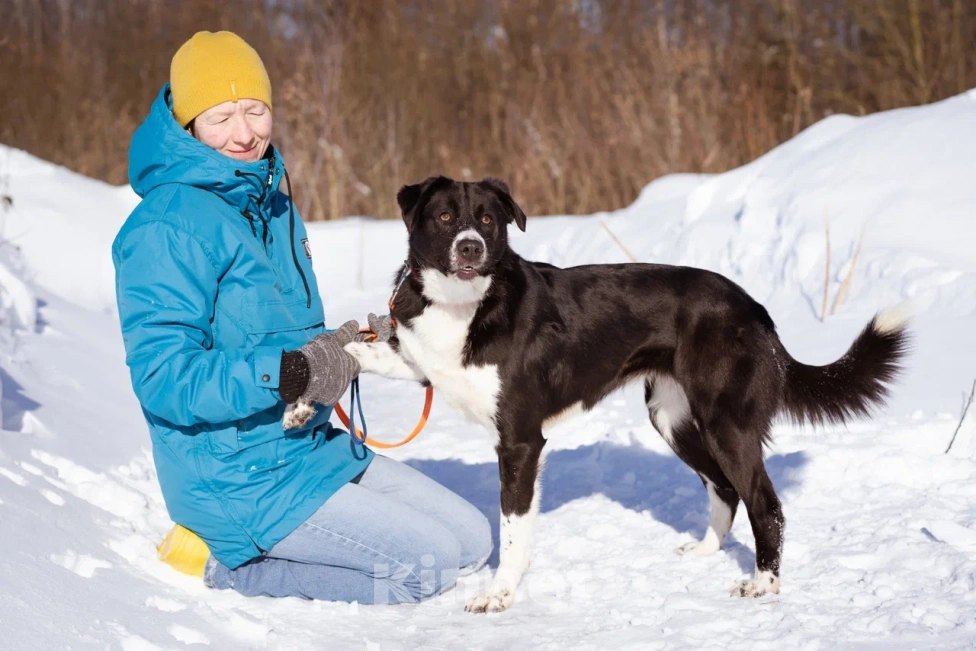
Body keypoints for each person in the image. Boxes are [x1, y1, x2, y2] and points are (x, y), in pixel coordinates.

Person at [112, 31, 491, 603]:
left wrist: (345, 344)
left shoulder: (273, 205)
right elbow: (166, 380)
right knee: (424, 569)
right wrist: (288, 371)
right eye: (220, 117)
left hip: (305, 445)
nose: (244, 133)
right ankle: (219, 562)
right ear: (189, 124)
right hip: (237, 476)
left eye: (255, 110)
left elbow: (274, 334)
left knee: (473, 541)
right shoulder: (166, 227)